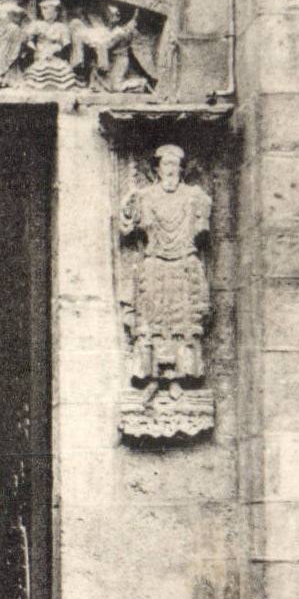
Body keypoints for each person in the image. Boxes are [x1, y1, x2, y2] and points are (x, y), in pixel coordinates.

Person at [119, 144, 212, 405]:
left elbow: (203, 229)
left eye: (175, 165)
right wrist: (129, 207)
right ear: (156, 169)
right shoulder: (145, 197)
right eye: (166, 165)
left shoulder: (195, 197)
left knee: (182, 321)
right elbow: (126, 228)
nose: (171, 170)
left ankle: (176, 378)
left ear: (182, 170)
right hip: (155, 264)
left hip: (183, 263)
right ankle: (150, 378)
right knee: (150, 322)